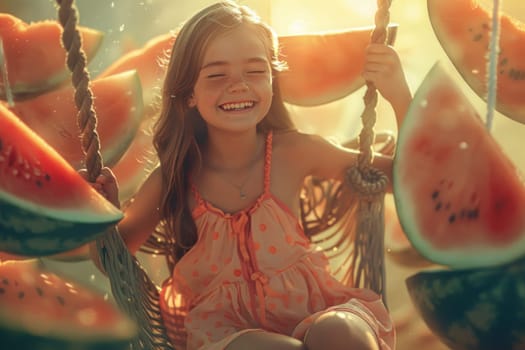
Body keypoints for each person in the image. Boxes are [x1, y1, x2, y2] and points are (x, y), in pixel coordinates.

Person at [89, 1, 412, 349]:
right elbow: (115, 260)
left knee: (345, 335)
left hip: (316, 308)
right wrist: (100, 215)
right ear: (188, 95)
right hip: (226, 332)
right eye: (216, 75)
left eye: (255, 72)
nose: (238, 86)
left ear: (273, 79)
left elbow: (404, 180)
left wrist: (399, 96)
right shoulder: (177, 176)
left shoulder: (296, 152)